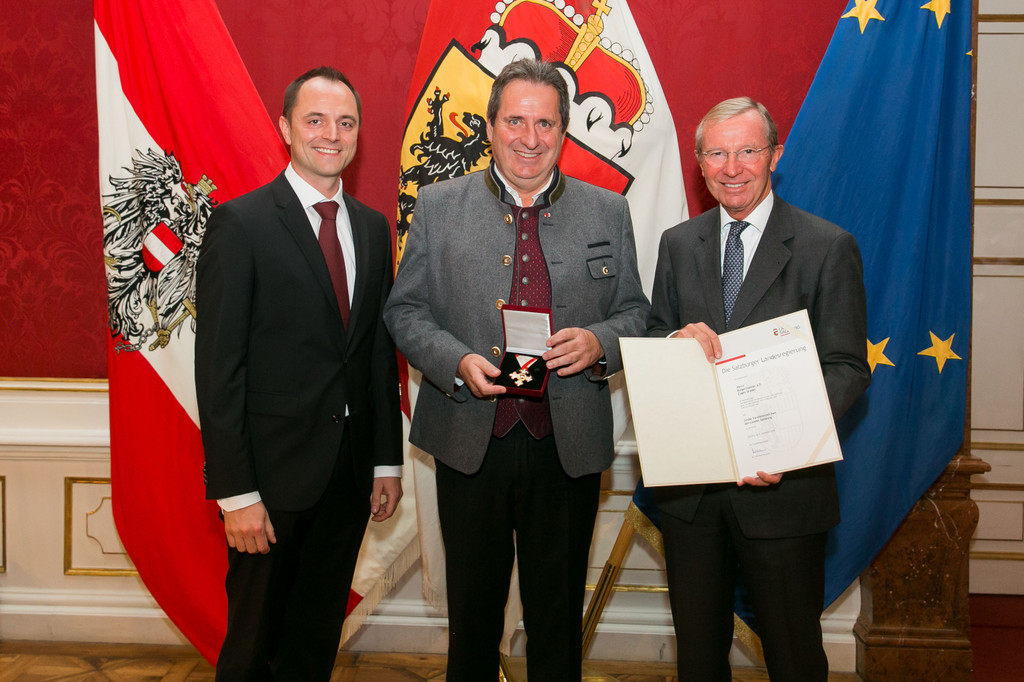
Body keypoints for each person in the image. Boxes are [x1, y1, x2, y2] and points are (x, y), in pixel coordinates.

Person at [383, 59, 649, 681]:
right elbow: (405, 310)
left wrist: (599, 341)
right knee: (472, 620)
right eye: (515, 122)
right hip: (469, 441)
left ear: (563, 131)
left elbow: (637, 311)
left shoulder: (607, 211)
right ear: (490, 126)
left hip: (568, 446)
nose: (530, 139)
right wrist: (455, 360)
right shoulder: (439, 205)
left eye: (545, 124)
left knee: (557, 622)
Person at [646, 96, 870, 682]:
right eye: (717, 154)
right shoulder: (678, 243)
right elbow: (652, 336)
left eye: (747, 150)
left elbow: (847, 367)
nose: (732, 167)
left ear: (775, 154)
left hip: (784, 494)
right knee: (698, 660)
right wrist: (673, 340)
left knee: (795, 658)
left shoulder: (827, 246)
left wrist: (783, 446)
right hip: (692, 497)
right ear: (699, 163)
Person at [195, 66, 403, 681]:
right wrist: (237, 495)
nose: (331, 135)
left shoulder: (373, 228)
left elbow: (375, 353)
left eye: (346, 122)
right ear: (285, 128)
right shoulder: (241, 224)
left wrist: (385, 462)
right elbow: (219, 370)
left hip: (347, 478)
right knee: (251, 648)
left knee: (313, 645)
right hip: (269, 483)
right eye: (315, 120)